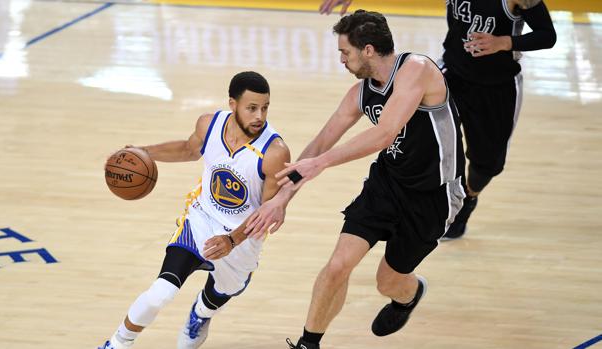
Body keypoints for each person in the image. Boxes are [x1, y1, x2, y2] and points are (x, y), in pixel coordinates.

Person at [244, 10, 465, 348]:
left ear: (369, 50)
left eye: (344, 52)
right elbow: (319, 143)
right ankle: (309, 343)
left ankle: (409, 294)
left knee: (388, 282)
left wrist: (323, 163)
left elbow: (384, 134)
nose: (341, 61)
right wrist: (282, 198)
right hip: (387, 184)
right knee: (337, 265)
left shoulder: (417, 70)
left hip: (432, 194)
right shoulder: (360, 93)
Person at [319, 0, 556, 239]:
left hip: (498, 86)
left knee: (487, 165)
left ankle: (468, 197)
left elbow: (548, 35)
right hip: (453, 74)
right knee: (418, 136)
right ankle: (416, 202)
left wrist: (504, 42)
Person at [98, 71, 290, 349]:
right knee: (160, 293)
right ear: (232, 104)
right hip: (200, 220)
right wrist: (142, 152)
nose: (259, 116)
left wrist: (232, 240)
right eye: (252, 108)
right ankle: (116, 344)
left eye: (265, 107)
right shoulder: (208, 125)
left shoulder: (275, 152)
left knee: (225, 291)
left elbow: (265, 214)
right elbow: (189, 150)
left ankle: (201, 313)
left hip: (241, 236)